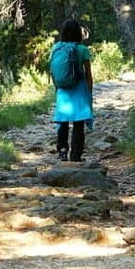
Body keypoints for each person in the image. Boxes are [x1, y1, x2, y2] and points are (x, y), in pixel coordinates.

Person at [50, 19, 94, 162]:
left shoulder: (56, 48)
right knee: (78, 124)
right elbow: (88, 72)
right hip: (79, 88)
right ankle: (76, 155)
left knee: (63, 122)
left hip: (62, 89)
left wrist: (57, 87)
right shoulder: (82, 49)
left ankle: (62, 151)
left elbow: (52, 69)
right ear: (78, 33)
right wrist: (89, 91)